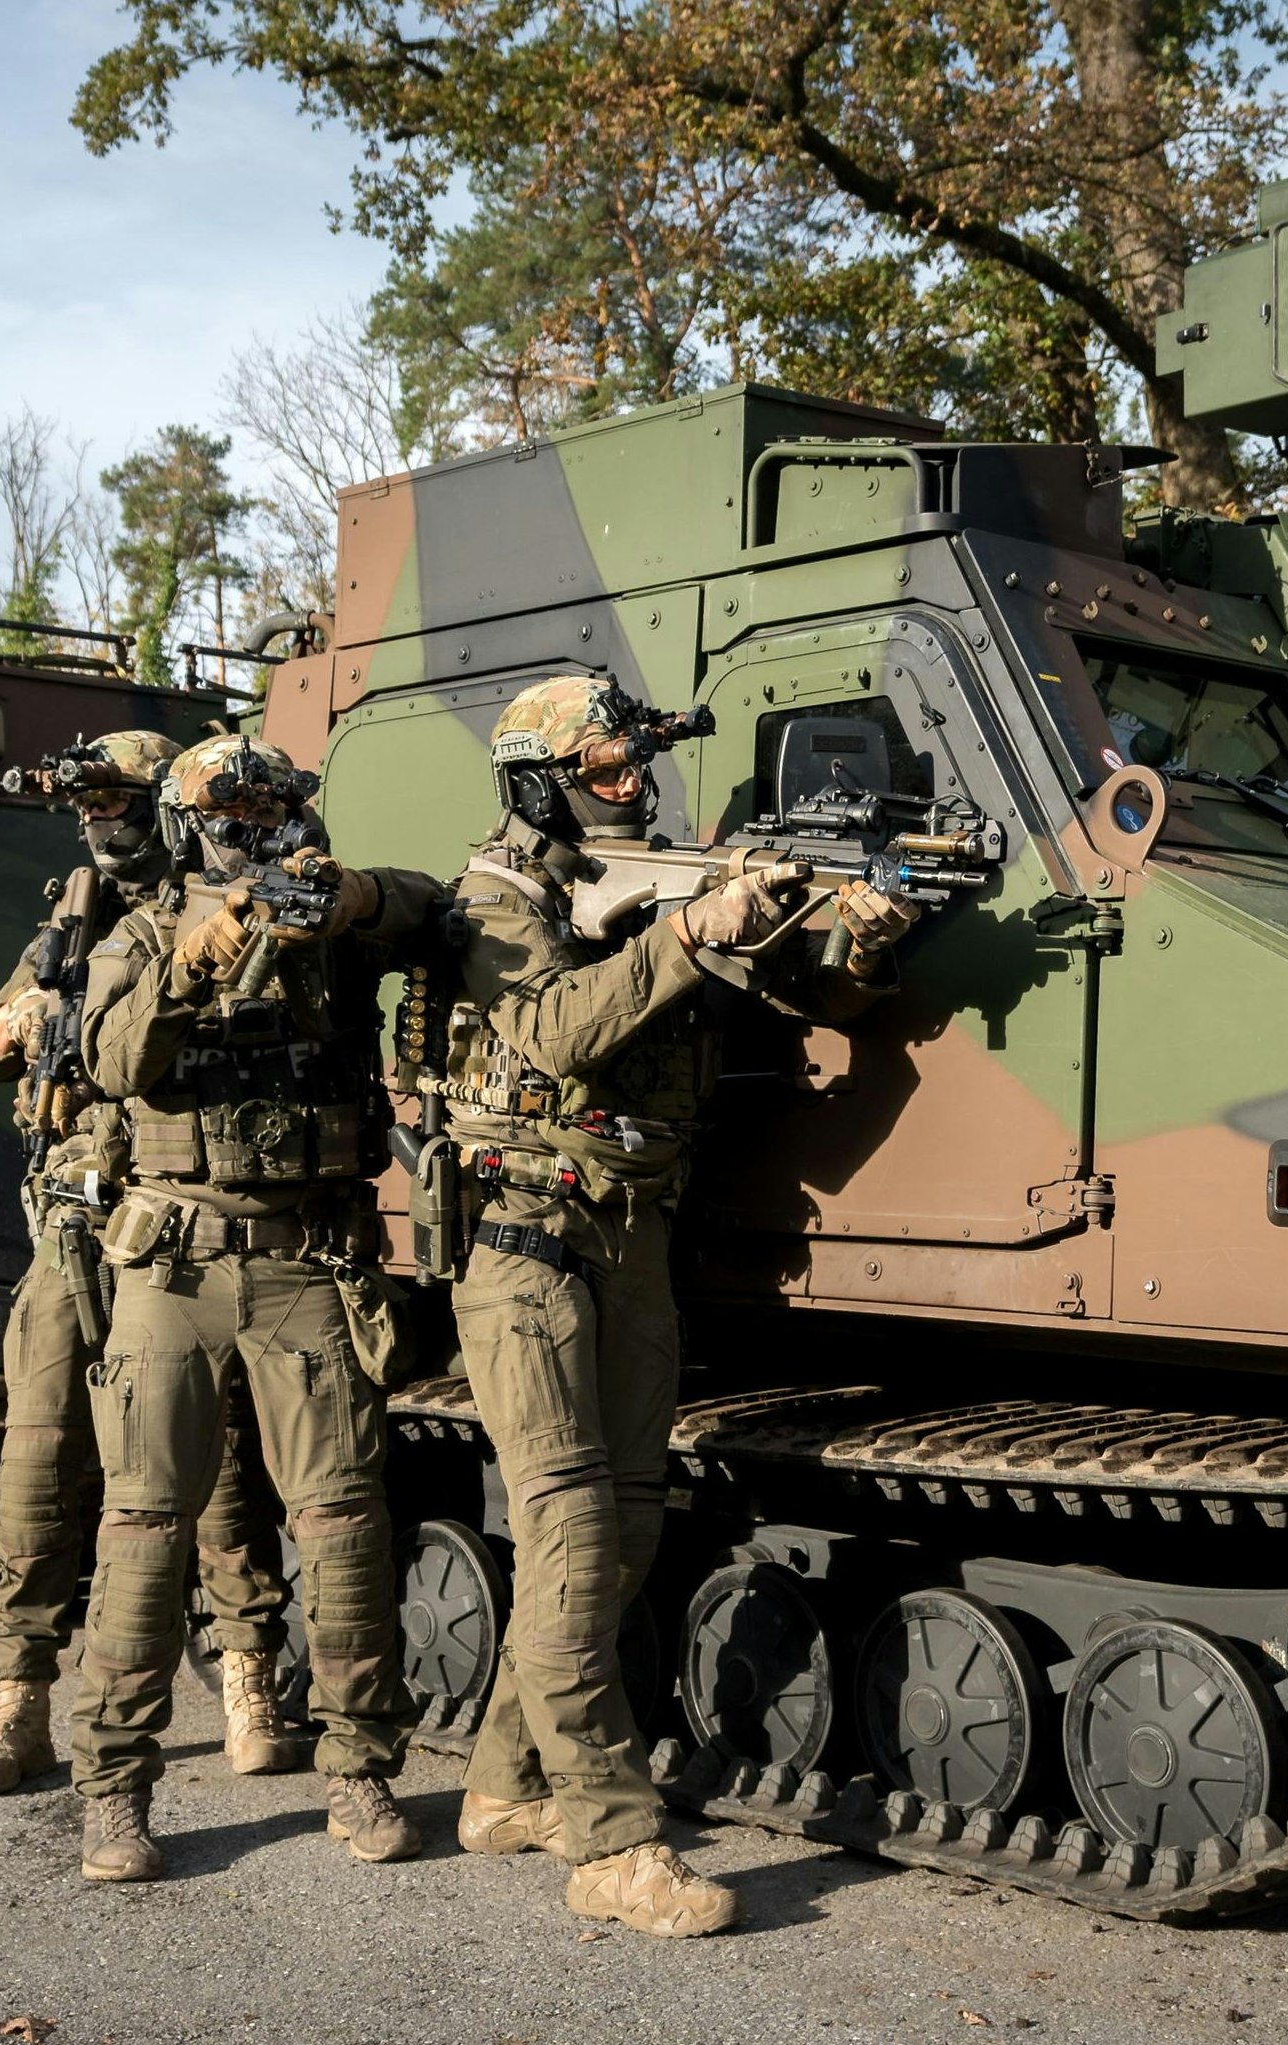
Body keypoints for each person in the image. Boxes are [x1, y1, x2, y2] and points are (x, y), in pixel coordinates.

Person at [432, 676, 917, 1938]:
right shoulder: (498, 894)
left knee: (626, 1529)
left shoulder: (654, 878)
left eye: (636, 763)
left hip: (634, 1233)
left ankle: (500, 1787)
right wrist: (691, 930)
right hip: (523, 1235)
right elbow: (546, 1030)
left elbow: (820, 1000)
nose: (631, 782)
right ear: (539, 778)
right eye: (602, 769)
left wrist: (858, 932)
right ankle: (611, 1844)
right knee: (574, 1529)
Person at [63, 733, 447, 1882]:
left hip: (305, 1264)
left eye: (274, 809)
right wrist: (191, 961)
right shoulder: (138, 931)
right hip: (171, 1267)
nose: (253, 829)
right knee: (141, 1531)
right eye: (230, 813)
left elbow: (436, 912)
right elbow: (114, 1060)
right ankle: (114, 1793)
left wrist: (352, 897)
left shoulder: (330, 926)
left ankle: (360, 1771)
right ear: (187, 828)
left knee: (341, 1524)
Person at [0, 729, 301, 1798]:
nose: (99, 819)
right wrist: (31, 1013)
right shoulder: (78, 907)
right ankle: (18, 1702)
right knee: (39, 1473)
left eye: (117, 799)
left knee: (219, 1470)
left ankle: (247, 1680)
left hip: (179, 1219)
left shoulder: (226, 895)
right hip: (70, 1226)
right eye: (85, 802)